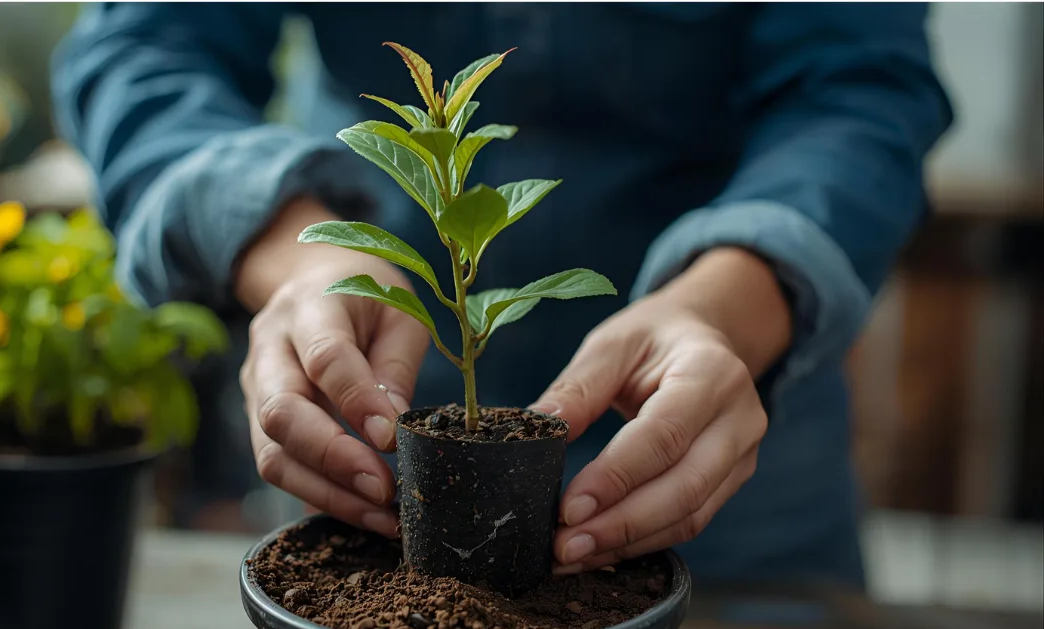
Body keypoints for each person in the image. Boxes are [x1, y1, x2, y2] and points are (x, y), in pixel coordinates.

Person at [51, 2, 952, 588]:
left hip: (726, 444)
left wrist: (722, 307)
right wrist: (293, 254)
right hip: (388, 447)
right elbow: (147, 48)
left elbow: (861, 89)